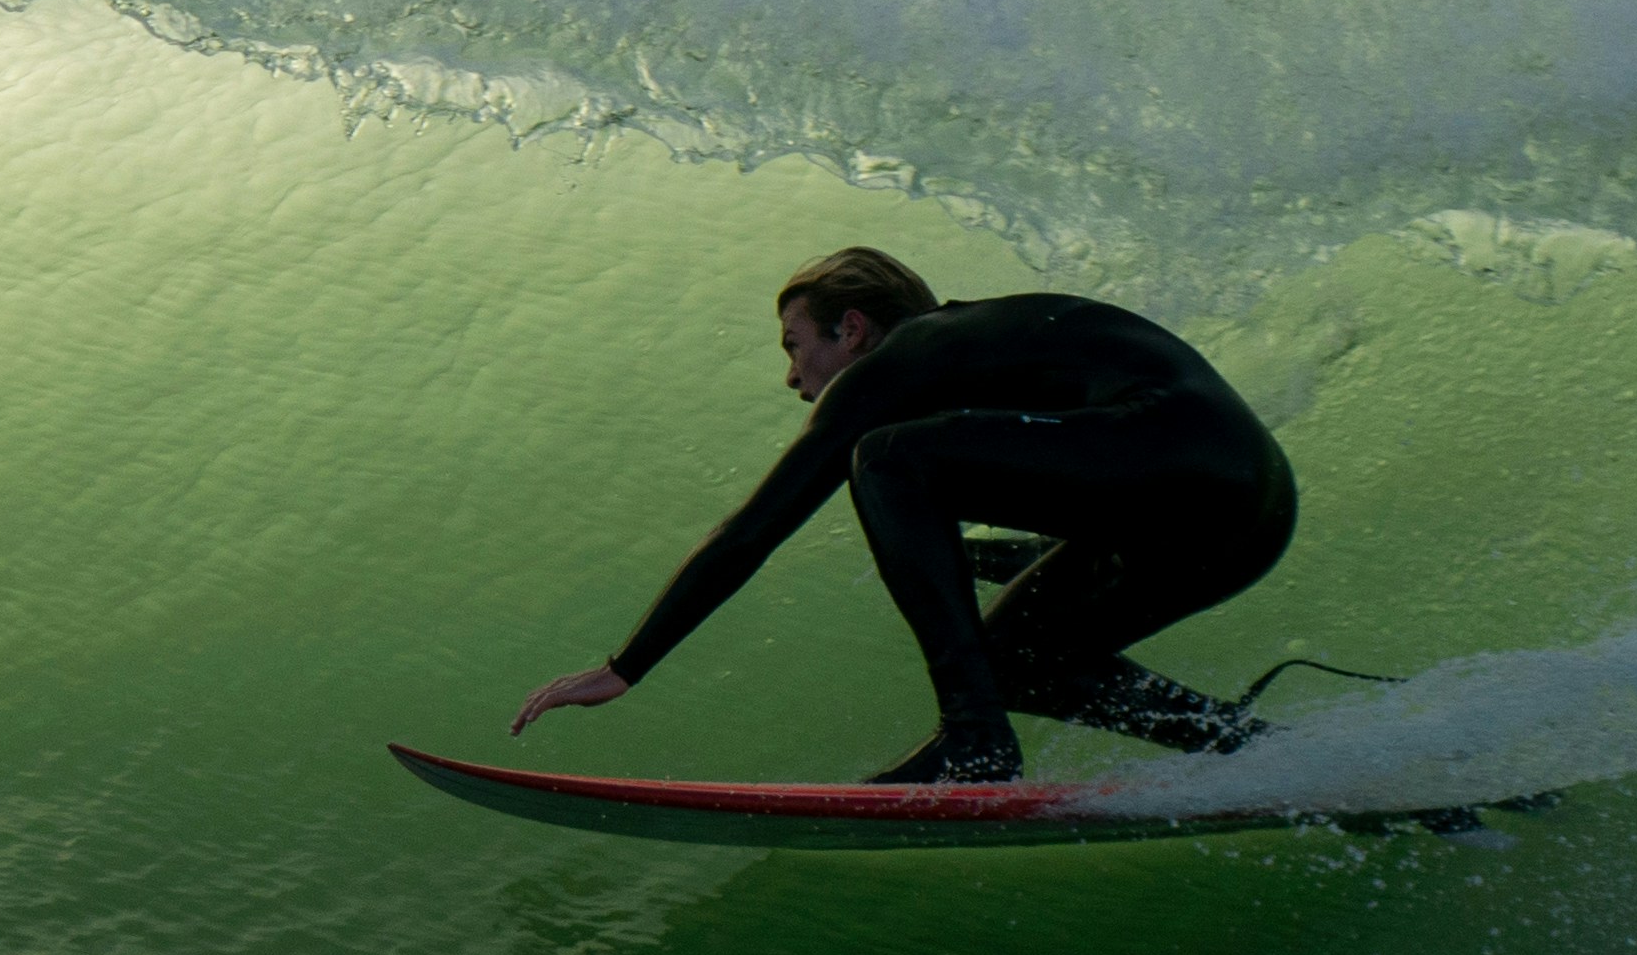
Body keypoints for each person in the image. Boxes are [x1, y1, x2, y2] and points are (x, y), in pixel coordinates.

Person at [509, 247, 1294, 785]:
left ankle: (976, 741)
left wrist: (625, 666)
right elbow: (1080, 471)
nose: (793, 377)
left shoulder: (896, 362)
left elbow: (752, 531)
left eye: (795, 345)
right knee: (1014, 658)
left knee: (884, 460)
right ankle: (1258, 755)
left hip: (1180, 461)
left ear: (850, 328)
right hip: (1244, 506)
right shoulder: (972, 358)